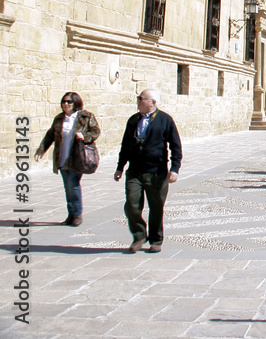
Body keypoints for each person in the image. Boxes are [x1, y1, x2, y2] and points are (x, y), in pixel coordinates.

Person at [114, 89, 182, 253]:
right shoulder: (133, 121)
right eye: (138, 98)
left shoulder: (165, 120)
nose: (138, 101)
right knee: (132, 205)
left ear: (152, 102)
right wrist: (120, 167)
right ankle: (139, 235)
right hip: (135, 171)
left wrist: (174, 168)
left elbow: (175, 146)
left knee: (156, 207)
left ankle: (156, 239)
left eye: (141, 98)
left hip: (156, 172)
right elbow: (125, 146)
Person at [35, 92, 101, 227]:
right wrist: (40, 151)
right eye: (64, 102)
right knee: (68, 187)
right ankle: (71, 215)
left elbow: (96, 131)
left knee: (73, 184)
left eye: (69, 102)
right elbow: (50, 135)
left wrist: (84, 136)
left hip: (77, 157)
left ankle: (77, 214)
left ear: (76, 103)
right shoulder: (59, 119)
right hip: (62, 157)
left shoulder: (85, 117)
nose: (66, 104)